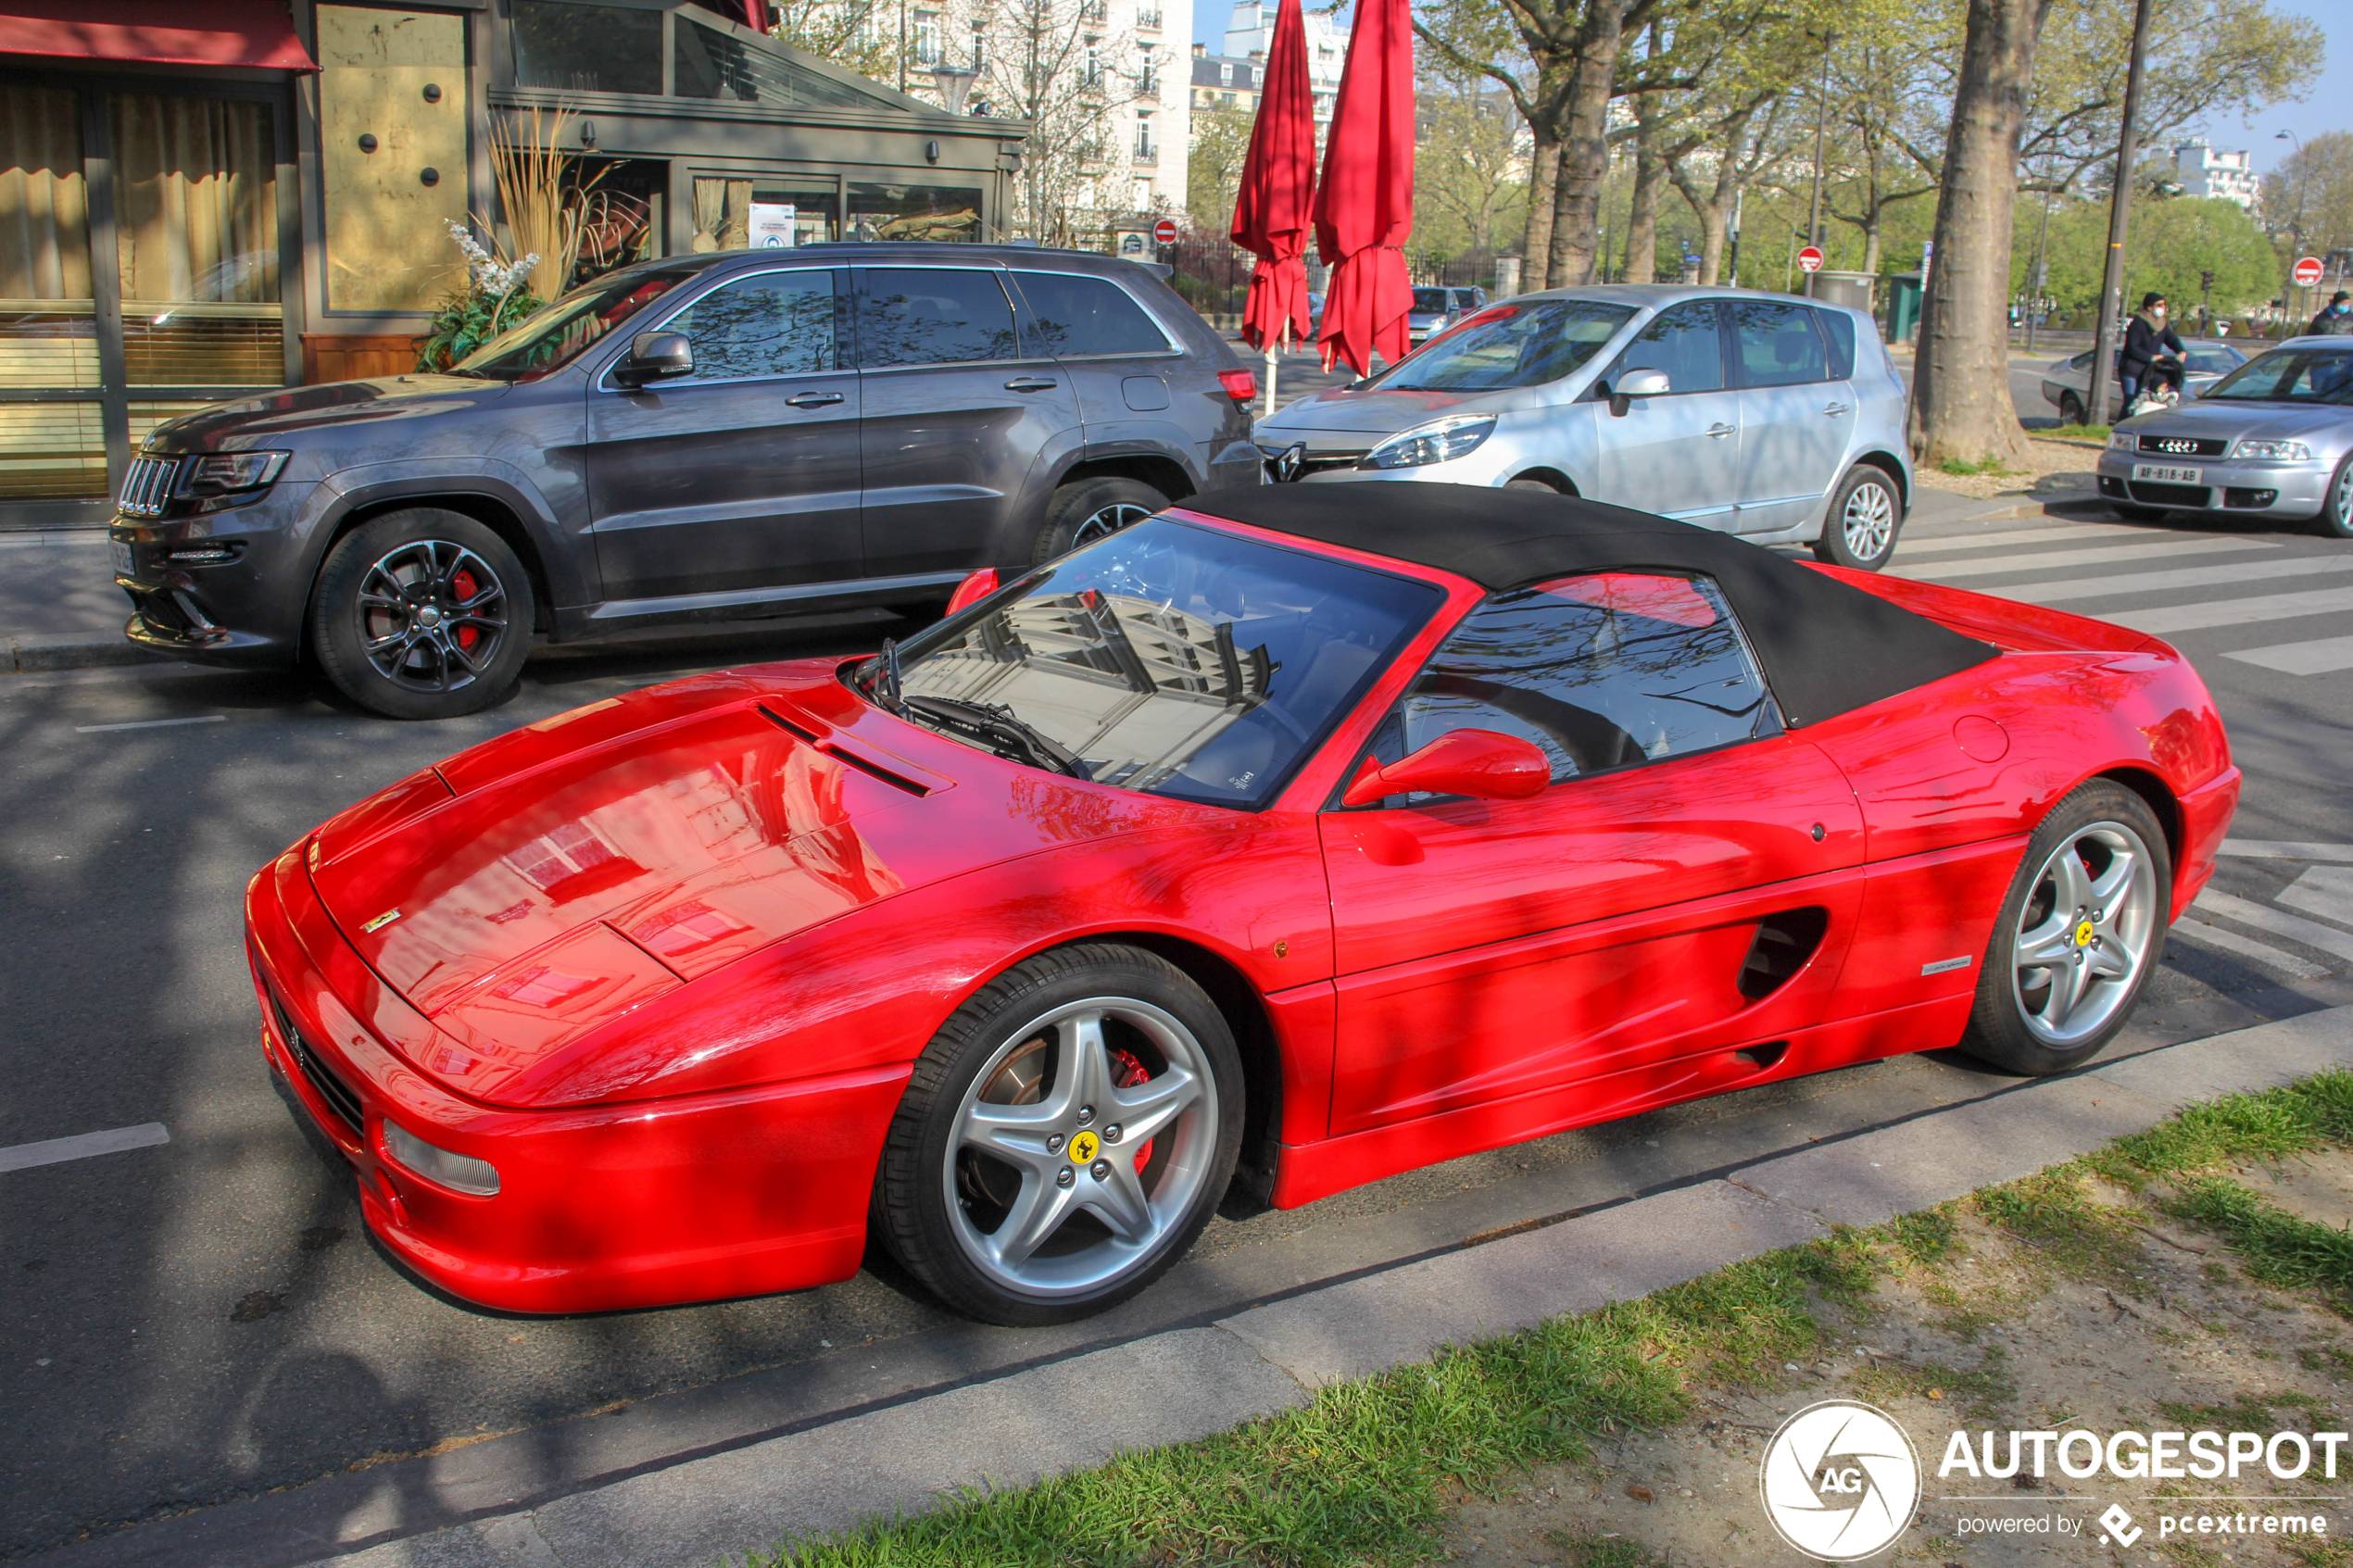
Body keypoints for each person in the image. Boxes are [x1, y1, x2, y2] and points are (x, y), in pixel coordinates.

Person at [2118, 292, 2185, 409]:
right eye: (2159, 305)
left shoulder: (2162, 323)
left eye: (2164, 305)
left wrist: (2181, 351)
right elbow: (2132, 347)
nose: (2163, 307)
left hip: (2148, 371)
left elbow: (2171, 339)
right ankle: (2124, 423)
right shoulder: (2138, 323)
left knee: (2143, 399)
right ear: (2150, 307)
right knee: (2131, 400)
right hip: (2132, 370)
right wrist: (2150, 357)